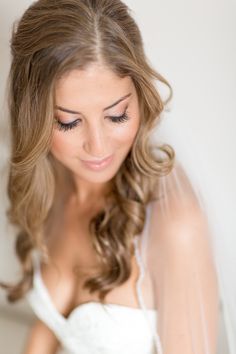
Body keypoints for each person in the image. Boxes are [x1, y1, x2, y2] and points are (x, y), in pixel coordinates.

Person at [0, 0, 221, 353]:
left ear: (140, 98)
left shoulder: (175, 224)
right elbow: (50, 326)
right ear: (34, 117)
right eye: (69, 122)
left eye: (117, 116)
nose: (98, 147)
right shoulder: (52, 180)